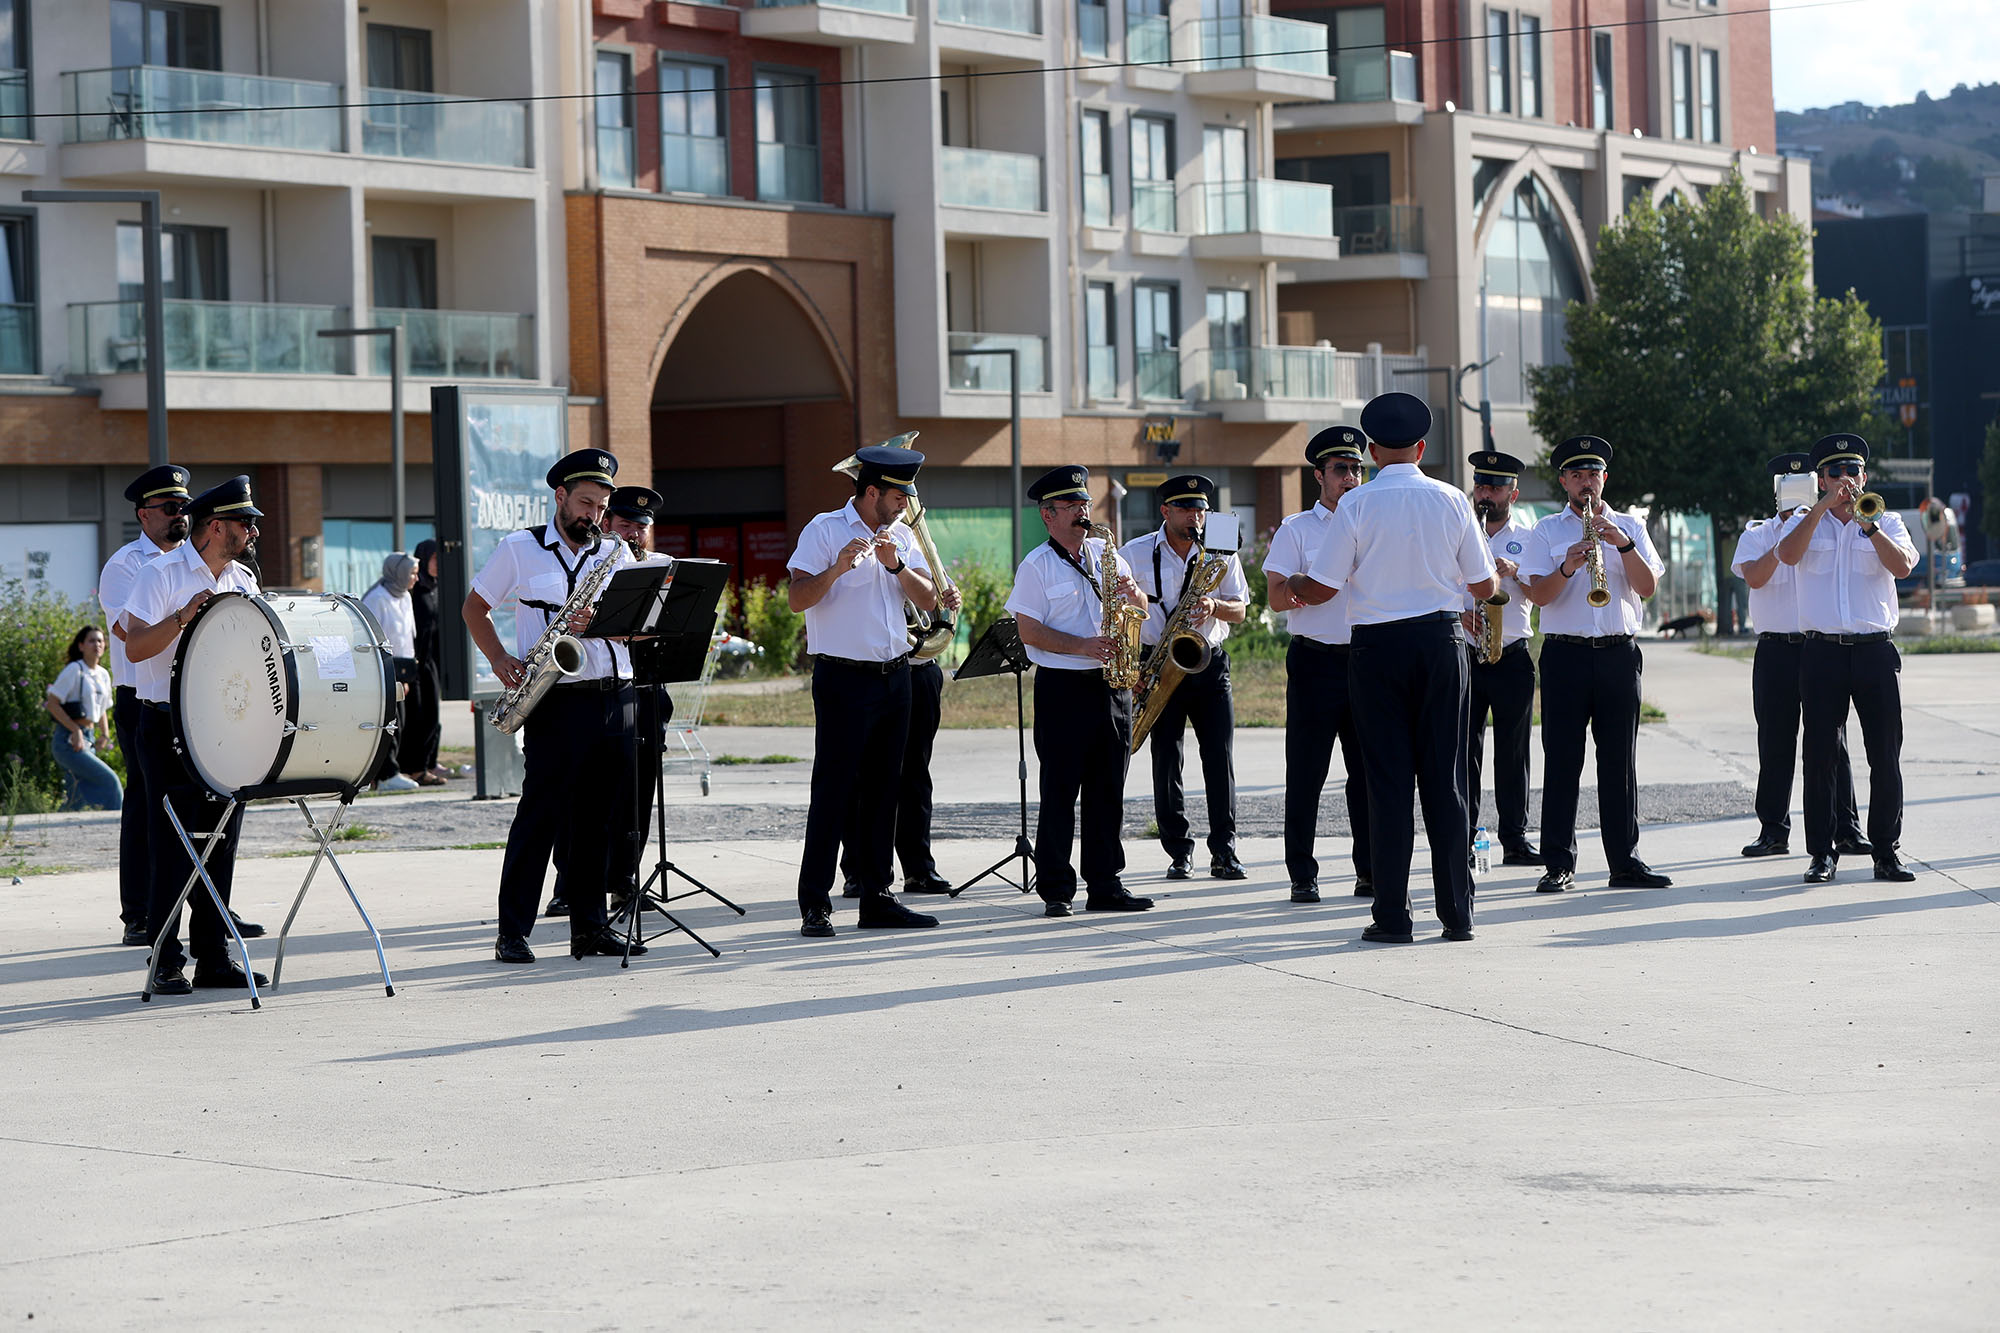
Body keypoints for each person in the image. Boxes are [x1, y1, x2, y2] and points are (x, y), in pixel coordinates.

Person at [1292, 394, 1495, 943]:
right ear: (1422, 448)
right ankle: (1458, 914)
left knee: (1386, 785)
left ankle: (1392, 916)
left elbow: (1324, 587)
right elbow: (1485, 586)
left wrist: (1292, 586)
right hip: (1440, 642)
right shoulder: (1453, 499)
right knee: (1447, 781)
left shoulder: (1357, 506)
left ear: (1375, 451)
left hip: (1376, 650)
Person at [464, 449, 643, 964]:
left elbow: (637, 625)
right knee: (540, 815)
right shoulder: (520, 548)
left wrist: (606, 622)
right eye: (585, 502)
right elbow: (474, 607)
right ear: (560, 497)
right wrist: (499, 659)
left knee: (597, 820)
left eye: (601, 505)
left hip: (615, 692)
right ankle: (512, 931)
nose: (593, 514)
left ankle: (588, 928)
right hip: (555, 698)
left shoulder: (614, 551)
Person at [120, 476, 271, 993]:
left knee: (221, 841)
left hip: (227, 725)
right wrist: (183, 618)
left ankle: (214, 955)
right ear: (216, 526)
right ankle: (165, 960)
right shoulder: (160, 574)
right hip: (167, 724)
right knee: (173, 844)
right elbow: (136, 647)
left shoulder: (243, 581)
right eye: (245, 523)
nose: (252, 532)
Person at [787, 444, 943, 938]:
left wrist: (898, 566)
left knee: (885, 790)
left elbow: (930, 599)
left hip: (896, 676)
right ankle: (815, 902)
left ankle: (877, 897)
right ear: (872, 490)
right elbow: (796, 598)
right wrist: (837, 568)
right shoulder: (825, 529)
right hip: (842, 679)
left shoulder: (901, 534)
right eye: (898, 497)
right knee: (833, 792)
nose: (904, 506)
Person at [1519, 436, 1672, 895]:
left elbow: (1646, 587)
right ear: (1564, 481)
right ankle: (1558, 863)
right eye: (1577, 475)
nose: (1587, 483)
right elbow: (1537, 595)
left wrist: (1623, 545)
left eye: (1594, 475)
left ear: (1605, 478)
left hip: (1618, 654)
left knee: (1618, 762)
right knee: (1562, 760)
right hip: (1565, 653)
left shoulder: (1630, 526)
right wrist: (1566, 568)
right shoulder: (1546, 530)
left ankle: (1624, 861)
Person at [1006, 465, 1154, 917]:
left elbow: (1144, 610)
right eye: (1072, 506)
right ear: (1048, 515)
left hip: (1112, 686)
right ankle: (1056, 888)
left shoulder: (1109, 555)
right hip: (1063, 688)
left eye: (1085, 504)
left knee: (1108, 789)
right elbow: (1028, 630)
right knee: (1060, 790)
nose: (1083, 512)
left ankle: (1106, 883)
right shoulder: (1037, 564)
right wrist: (1082, 646)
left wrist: (1134, 595)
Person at [1774, 433, 1919, 884]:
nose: (1845, 480)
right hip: (1821, 651)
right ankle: (1821, 853)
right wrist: (1821, 509)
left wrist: (1867, 525)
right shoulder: (1803, 520)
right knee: (1819, 756)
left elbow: (1902, 568)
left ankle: (1886, 851)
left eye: (1852, 472)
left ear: (1865, 476)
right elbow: (1786, 555)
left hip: (1875, 649)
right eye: (1835, 473)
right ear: (1820, 479)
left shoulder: (1886, 519)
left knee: (1884, 754)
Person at [1731, 453, 1869, 860]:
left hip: (1817, 645)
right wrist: (1786, 537)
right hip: (1775, 647)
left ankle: (1846, 826)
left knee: (1831, 741)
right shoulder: (1758, 534)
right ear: (1776, 492)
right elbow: (1754, 577)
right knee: (1775, 739)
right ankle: (1773, 828)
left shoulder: (1831, 528)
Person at [1121, 475, 1250, 881]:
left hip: (1208, 662)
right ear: (1166, 511)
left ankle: (1224, 850)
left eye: (1202, 509)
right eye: (1187, 509)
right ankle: (1178, 849)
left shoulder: (1220, 547)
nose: (1197, 517)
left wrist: (1213, 604)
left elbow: (1241, 609)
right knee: (1166, 758)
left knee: (1219, 758)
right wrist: (1134, 669)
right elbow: (1121, 613)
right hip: (1157, 663)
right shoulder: (1135, 552)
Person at [1265, 426, 1372, 904]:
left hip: (1365, 659)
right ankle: (1302, 874)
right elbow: (1274, 598)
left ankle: (1369, 871)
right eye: (1340, 470)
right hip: (1314, 661)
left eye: (1356, 469)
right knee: (1306, 772)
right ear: (1319, 476)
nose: (1350, 478)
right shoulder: (1297, 529)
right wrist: (1304, 584)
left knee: (1367, 774)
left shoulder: (1374, 521)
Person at [98, 464, 203, 946]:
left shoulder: (198, 562)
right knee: (146, 803)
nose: (179, 515)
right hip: (141, 698)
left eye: (183, 507)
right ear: (144, 515)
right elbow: (128, 632)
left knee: (204, 803)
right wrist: (181, 616)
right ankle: (139, 913)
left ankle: (211, 910)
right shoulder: (125, 566)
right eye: (168, 508)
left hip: (191, 695)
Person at [1459, 451, 1542, 867]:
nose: (1486, 495)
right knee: (1464, 749)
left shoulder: (1529, 537)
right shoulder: (1459, 531)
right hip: (1467, 654)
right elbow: (1441, 582)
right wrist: (1460, 614)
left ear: (1513, 493)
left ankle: (1515, 837)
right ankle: (1467, 834)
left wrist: (1517, 569)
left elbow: (1543, 586)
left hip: (1511, 654)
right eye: (1481, 486)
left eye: (1495, 488)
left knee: (1513, 751)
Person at [603, 484, 670, 906]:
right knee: (587, 788)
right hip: (600, 687)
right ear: (606, 523)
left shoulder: (661, 567)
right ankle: (568, 885)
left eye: (640, 528)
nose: (633, 534)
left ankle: (624, 879)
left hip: (647, 685)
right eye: (625, 524)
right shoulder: (591, 563)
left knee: (641, 785)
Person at [44, 625, 122, 812]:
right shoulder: (74, 669)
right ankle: (116, 828)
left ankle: (56, 835)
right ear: (81, 646)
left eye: (100, 641)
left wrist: (104, 733)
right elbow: (52, 703)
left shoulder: (103, 674)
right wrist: (75, 729)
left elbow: (101, 708)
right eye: (91, 640)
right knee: (111, 782)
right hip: (68, 740)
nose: (97, 644)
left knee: (75, 798)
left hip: (88, 738)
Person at [362, 552, 422, 792]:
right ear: (398, 573)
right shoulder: (377, 598)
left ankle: (391, 770)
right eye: (412, 574)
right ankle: (386, 774)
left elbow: (408, 635)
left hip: (404, 667)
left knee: (402, 720)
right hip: (384, 668)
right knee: (389, 721)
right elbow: (374, 638)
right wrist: (392, 673)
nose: (415, 579)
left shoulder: (405, 596)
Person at [407, 538, 447, 785]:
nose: (437, 564)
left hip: (432, 659)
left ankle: (430, 761)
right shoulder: (414, 590)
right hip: (416, 660)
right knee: (419, 715)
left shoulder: (435, 587)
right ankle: (416, 768)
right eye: (434, 559)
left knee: (433, 713)